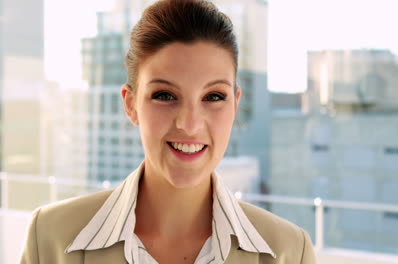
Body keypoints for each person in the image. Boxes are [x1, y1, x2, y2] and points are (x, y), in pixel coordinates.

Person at [20, 0, 316, 263]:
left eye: (213, 96)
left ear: (235, 104)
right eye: (164, 95)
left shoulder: (290, 253)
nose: (189, 124)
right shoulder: (49, 239)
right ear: (131, 104)